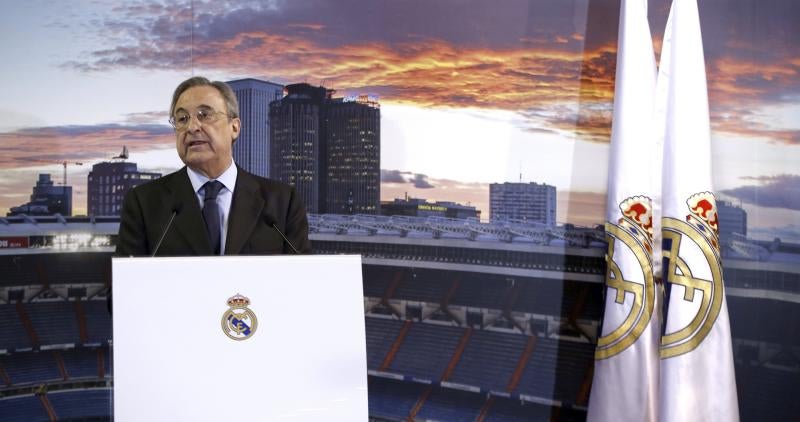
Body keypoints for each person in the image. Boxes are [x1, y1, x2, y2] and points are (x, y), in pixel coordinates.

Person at [115, 76, 311, 257]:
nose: (192, 127)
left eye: (205, 115)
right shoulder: (144, 204)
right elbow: (122, 289)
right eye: (182, 119)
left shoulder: (282, 203)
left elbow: (303, 283)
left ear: (234, 127)